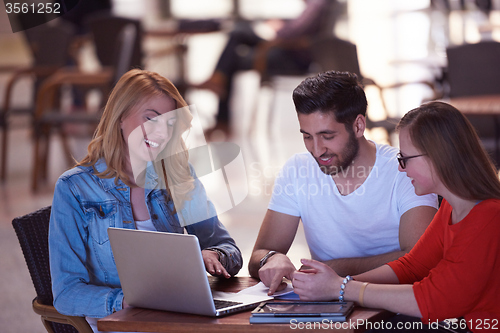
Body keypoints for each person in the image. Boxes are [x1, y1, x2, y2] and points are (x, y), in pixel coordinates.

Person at [49, 69, 242, 330]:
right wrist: (125, 302)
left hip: (176, 320)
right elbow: (66, 294)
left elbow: (229, 249)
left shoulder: (179, 176)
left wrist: (212, 254)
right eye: (151, 119)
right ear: (120, 118)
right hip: (120, 324)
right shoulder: (74, 188)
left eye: (170, 123)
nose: (161, 133)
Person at [292, 101, 500, 332]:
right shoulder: (452, 208)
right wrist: (334, 286)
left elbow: (433, 301)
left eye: (405, 159)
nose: (401, 168)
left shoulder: (488, 218)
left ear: (438, 157)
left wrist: (340, 288)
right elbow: (412, 267)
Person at [248, 71, 438, 295]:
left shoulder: (405, 171)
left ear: (358, 126)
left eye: (327, 136)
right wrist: (272, 259)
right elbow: (259, 254)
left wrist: (338, 269)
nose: (317, 150)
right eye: (307, 136)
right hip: (328, 308)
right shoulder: (297, 169)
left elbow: (421, 260)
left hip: (396, 307)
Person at [194, 0, 332, 138]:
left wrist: (277, 28)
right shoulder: (314, 4)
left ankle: (219, 91)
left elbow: (291, 33)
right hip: (284, 49)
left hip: (290, 57)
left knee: (235, 51)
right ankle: (219, 83)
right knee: (238, 33)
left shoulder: (318, 3)